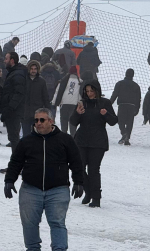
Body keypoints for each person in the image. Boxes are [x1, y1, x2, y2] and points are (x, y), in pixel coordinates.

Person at [4, 108, 84, 251]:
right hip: (30, 188)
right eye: (36, 120)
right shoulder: (26, 141)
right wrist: (9, 180)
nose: (38, 123)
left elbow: (76, 161)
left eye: (42, 120)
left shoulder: (65, 140)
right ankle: (32, 249)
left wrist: (79, 181)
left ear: (51, 121)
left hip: (58, 189)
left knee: (57, 221)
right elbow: (15, 162)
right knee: (29, 221)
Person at [70, 80, 117, 208]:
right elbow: (73, 122)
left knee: (93, 170)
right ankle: (88, 191)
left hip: (98, 142)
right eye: (87, 91)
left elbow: (113, 121)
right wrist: (77, 113)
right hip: (81, 140)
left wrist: (105, 114)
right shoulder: (82, 103)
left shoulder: (104, 103)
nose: (89, 94)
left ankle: (96, 197)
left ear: (97, 91)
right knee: (79, 167)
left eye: (92, 91)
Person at [0, 51, 27, 152]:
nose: (4, 61)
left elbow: (18, 93)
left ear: (12, 60)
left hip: (14, 112)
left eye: (6, 59)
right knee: (13, 138)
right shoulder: (13, 72)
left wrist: (9, 108)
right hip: (13, 111)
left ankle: (16, 165)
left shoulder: (18, 74)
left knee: (14, 138)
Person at [109, 68, 142, 145]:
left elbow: (114, 95)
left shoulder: (120, 83)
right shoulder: (136, 86)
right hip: (132, 106)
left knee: (120, 121)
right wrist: (137, 108)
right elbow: (138, 99)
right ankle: (127, 138)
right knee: (129, 123)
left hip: (122, 105)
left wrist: (109, 104)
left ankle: (124, 133)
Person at [21, 60, 50, 136]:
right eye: (31, 69)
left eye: (35, 69)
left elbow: (45, 97)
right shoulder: (24, 80)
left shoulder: (41, 81)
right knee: (26, 134)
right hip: (25, 112)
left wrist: (47, 110)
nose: (33, 71)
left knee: (37, 134)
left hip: (37, 112)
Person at [53, 66, 82, 136]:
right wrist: (80, 102)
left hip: (64, 104)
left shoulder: (63, 80)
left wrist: (54, 101)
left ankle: (64, 137)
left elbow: (57, 91)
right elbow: (80, 94)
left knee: (64, 121)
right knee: (72, 123)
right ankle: (73, 138)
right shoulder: (79, 81)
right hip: (74, 104)